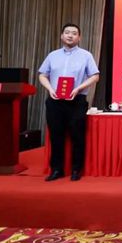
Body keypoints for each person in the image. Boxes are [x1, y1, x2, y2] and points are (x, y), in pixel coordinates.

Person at [38, 23, 100, 181]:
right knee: (56, 135)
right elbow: (42, 75)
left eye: (74, 33)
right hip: (55, 100)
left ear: (79, 37)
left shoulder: (86, 55)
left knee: (77, 135)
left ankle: (76, 169)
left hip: (76, 100)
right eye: (67, 32)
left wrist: (79, 88)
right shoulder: (52, 55)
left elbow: (95, 76)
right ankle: (56, 170)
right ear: (62, 36)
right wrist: (50, 88)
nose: (70, 35)